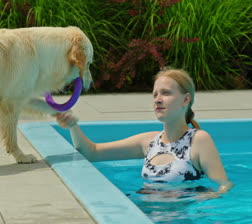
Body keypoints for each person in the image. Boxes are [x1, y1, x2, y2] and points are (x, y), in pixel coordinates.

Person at [55, 68, 233, 197]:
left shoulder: (199, 140)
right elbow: (91, 152)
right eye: (155, 95)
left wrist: (196, 200)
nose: (158, 100)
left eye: (165, 93)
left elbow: (223, 186)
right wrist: (72, 124)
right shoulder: (148, 142)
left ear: (186, 99)